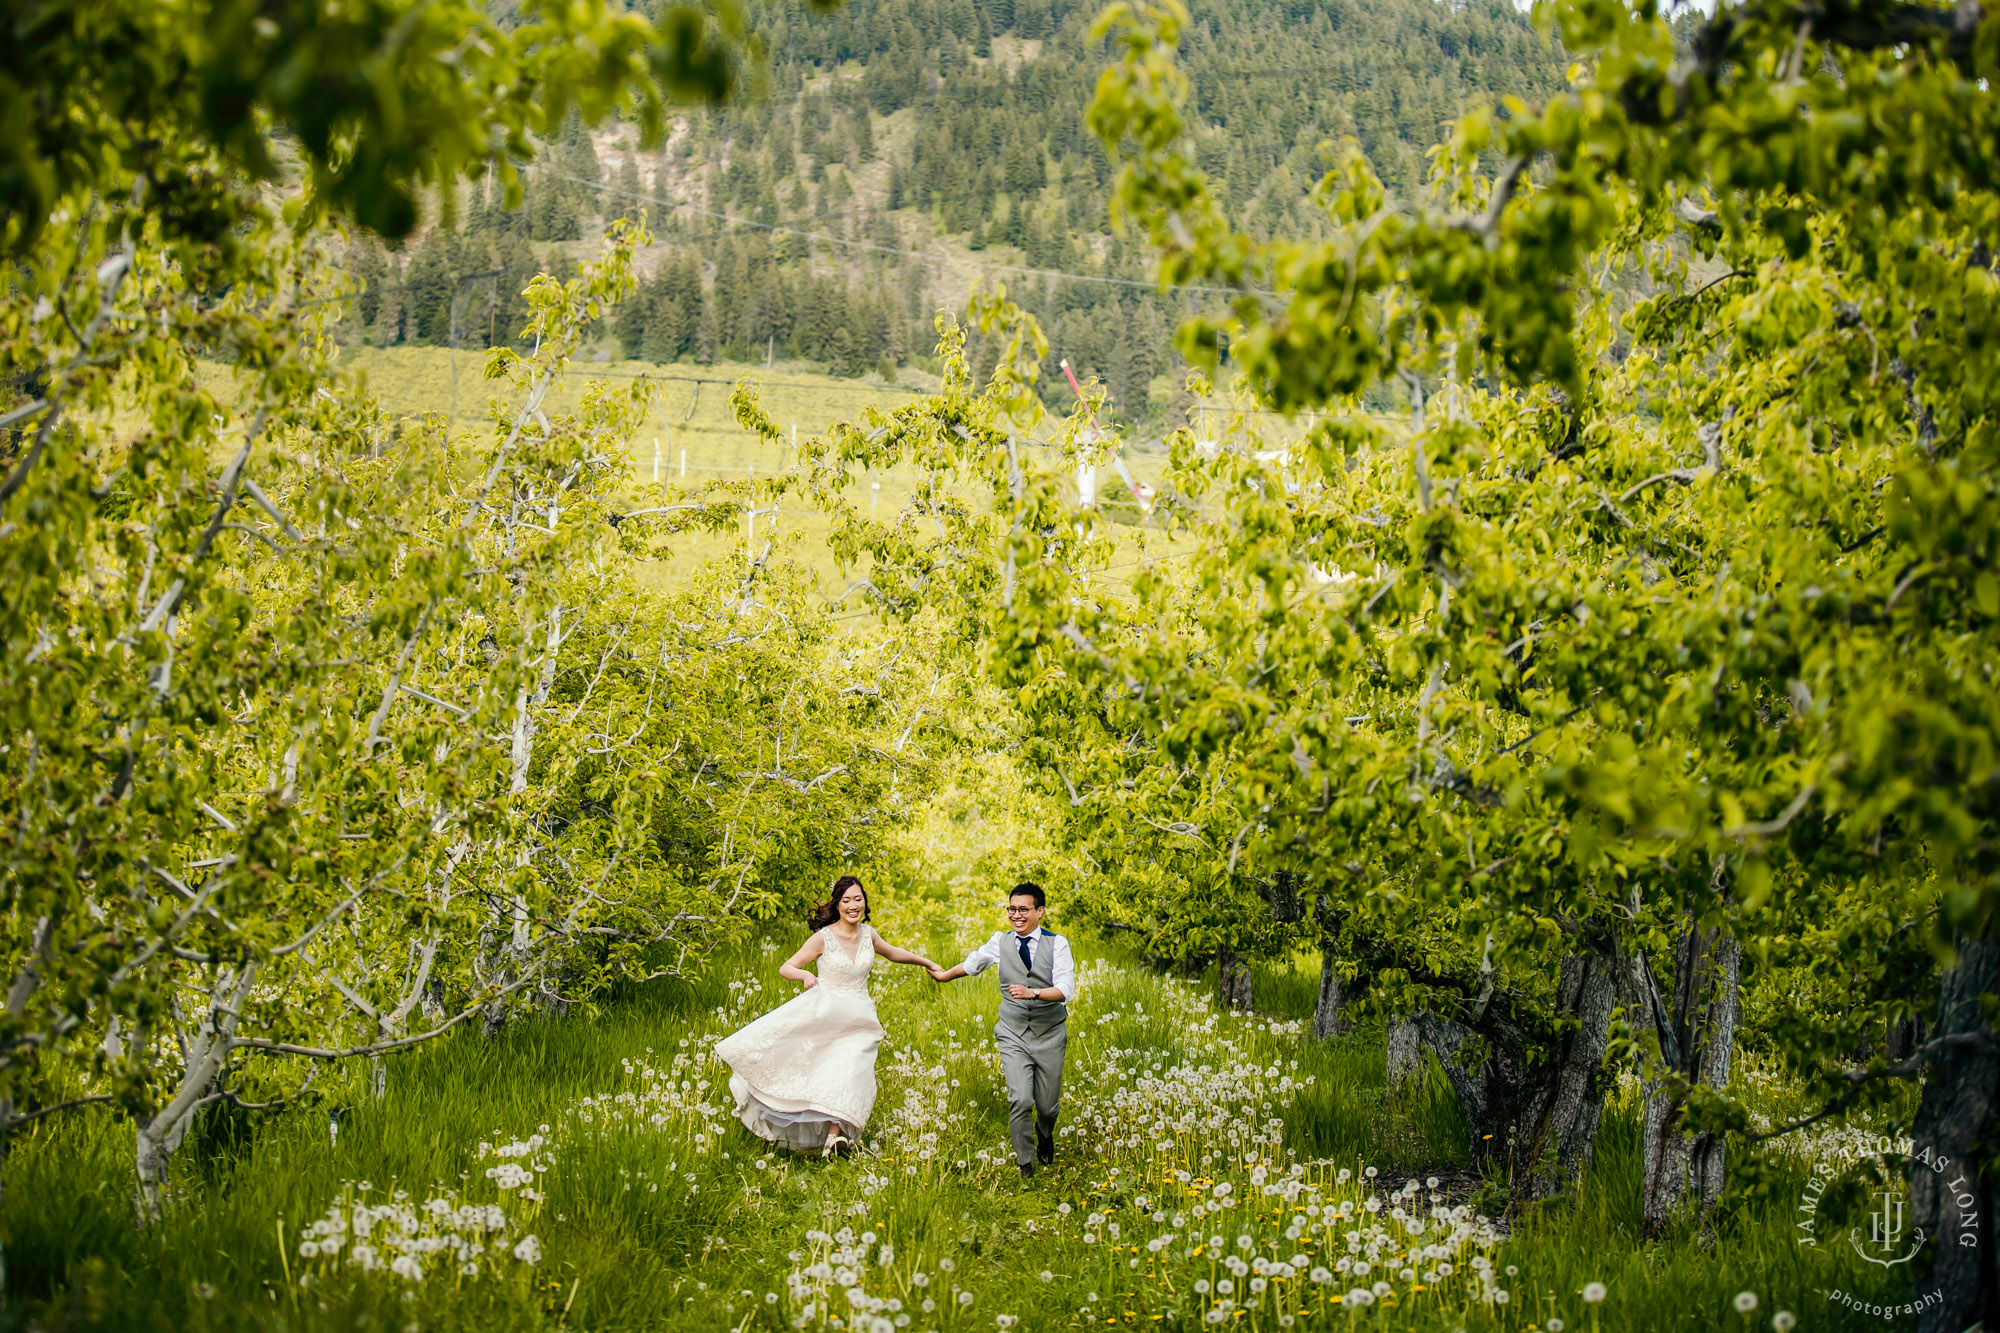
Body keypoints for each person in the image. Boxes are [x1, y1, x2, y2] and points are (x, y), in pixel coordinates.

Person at [714, 875, 943, 1156]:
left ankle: (834, 1137)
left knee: (854, 1071)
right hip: (827, 1013)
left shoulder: (868, 934)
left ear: (865, 902)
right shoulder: (823, 937)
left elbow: (893, 953)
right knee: (825, 1073)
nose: (853, 905)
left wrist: (927, 962)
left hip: (860, 1017)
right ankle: (829, 1137)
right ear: (837, 905)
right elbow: (787, 967)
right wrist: (805, 975)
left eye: (858, 899)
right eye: (846, 901)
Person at [929, 882, 1075, 1178]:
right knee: (1020, 1098)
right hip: (1013, 1031)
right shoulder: (1000, 941)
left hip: (1050, 1032)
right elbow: (973, 964)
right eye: (1012, 909)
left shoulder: (1057, 943)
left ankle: (1045, 1133)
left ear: (1040, 911)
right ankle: (1025, 1163)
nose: (1016, 915)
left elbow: (1065, 990)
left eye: (1023, 909)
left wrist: (1033, 993)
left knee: (1047, 1107)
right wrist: (945, 976)